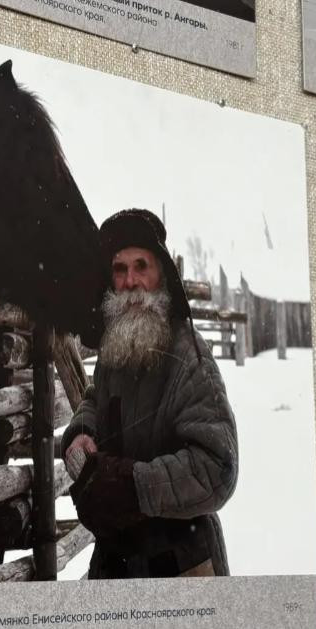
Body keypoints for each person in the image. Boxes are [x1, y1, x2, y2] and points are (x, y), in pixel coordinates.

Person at [61, 208, 238, 578]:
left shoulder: (190, 355)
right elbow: (96, 398)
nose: (131, 281)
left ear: (162, 275)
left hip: (182, 567)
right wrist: (81, 433)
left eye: (142, 265)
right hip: (116, 564)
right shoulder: (117, 345)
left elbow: (217, 469)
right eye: (120, 269)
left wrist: (134, 486)